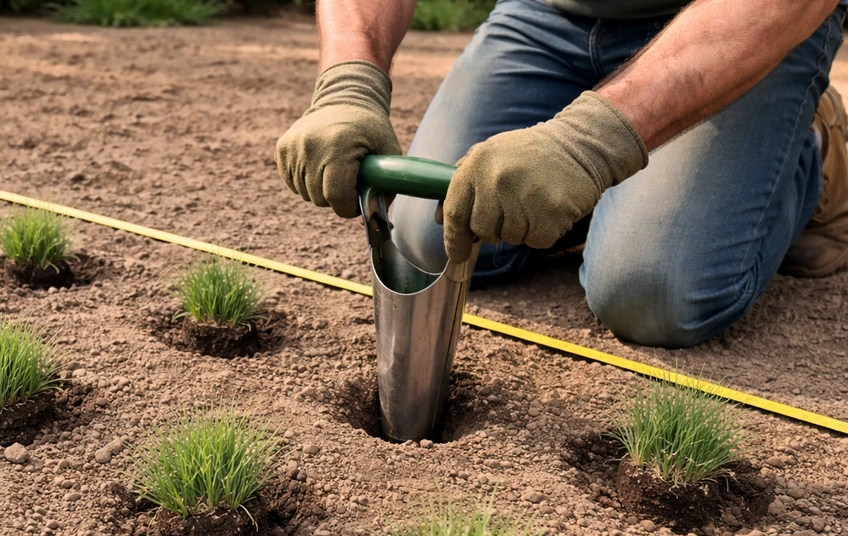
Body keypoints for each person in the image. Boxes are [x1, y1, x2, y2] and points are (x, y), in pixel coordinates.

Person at [275, 0, 848, 348]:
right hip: (549, 18)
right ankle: (611, 178)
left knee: (650, 295)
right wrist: (349, 82)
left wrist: (586, 146)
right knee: (429, 237)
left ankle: (812, 152)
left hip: (734, 26)